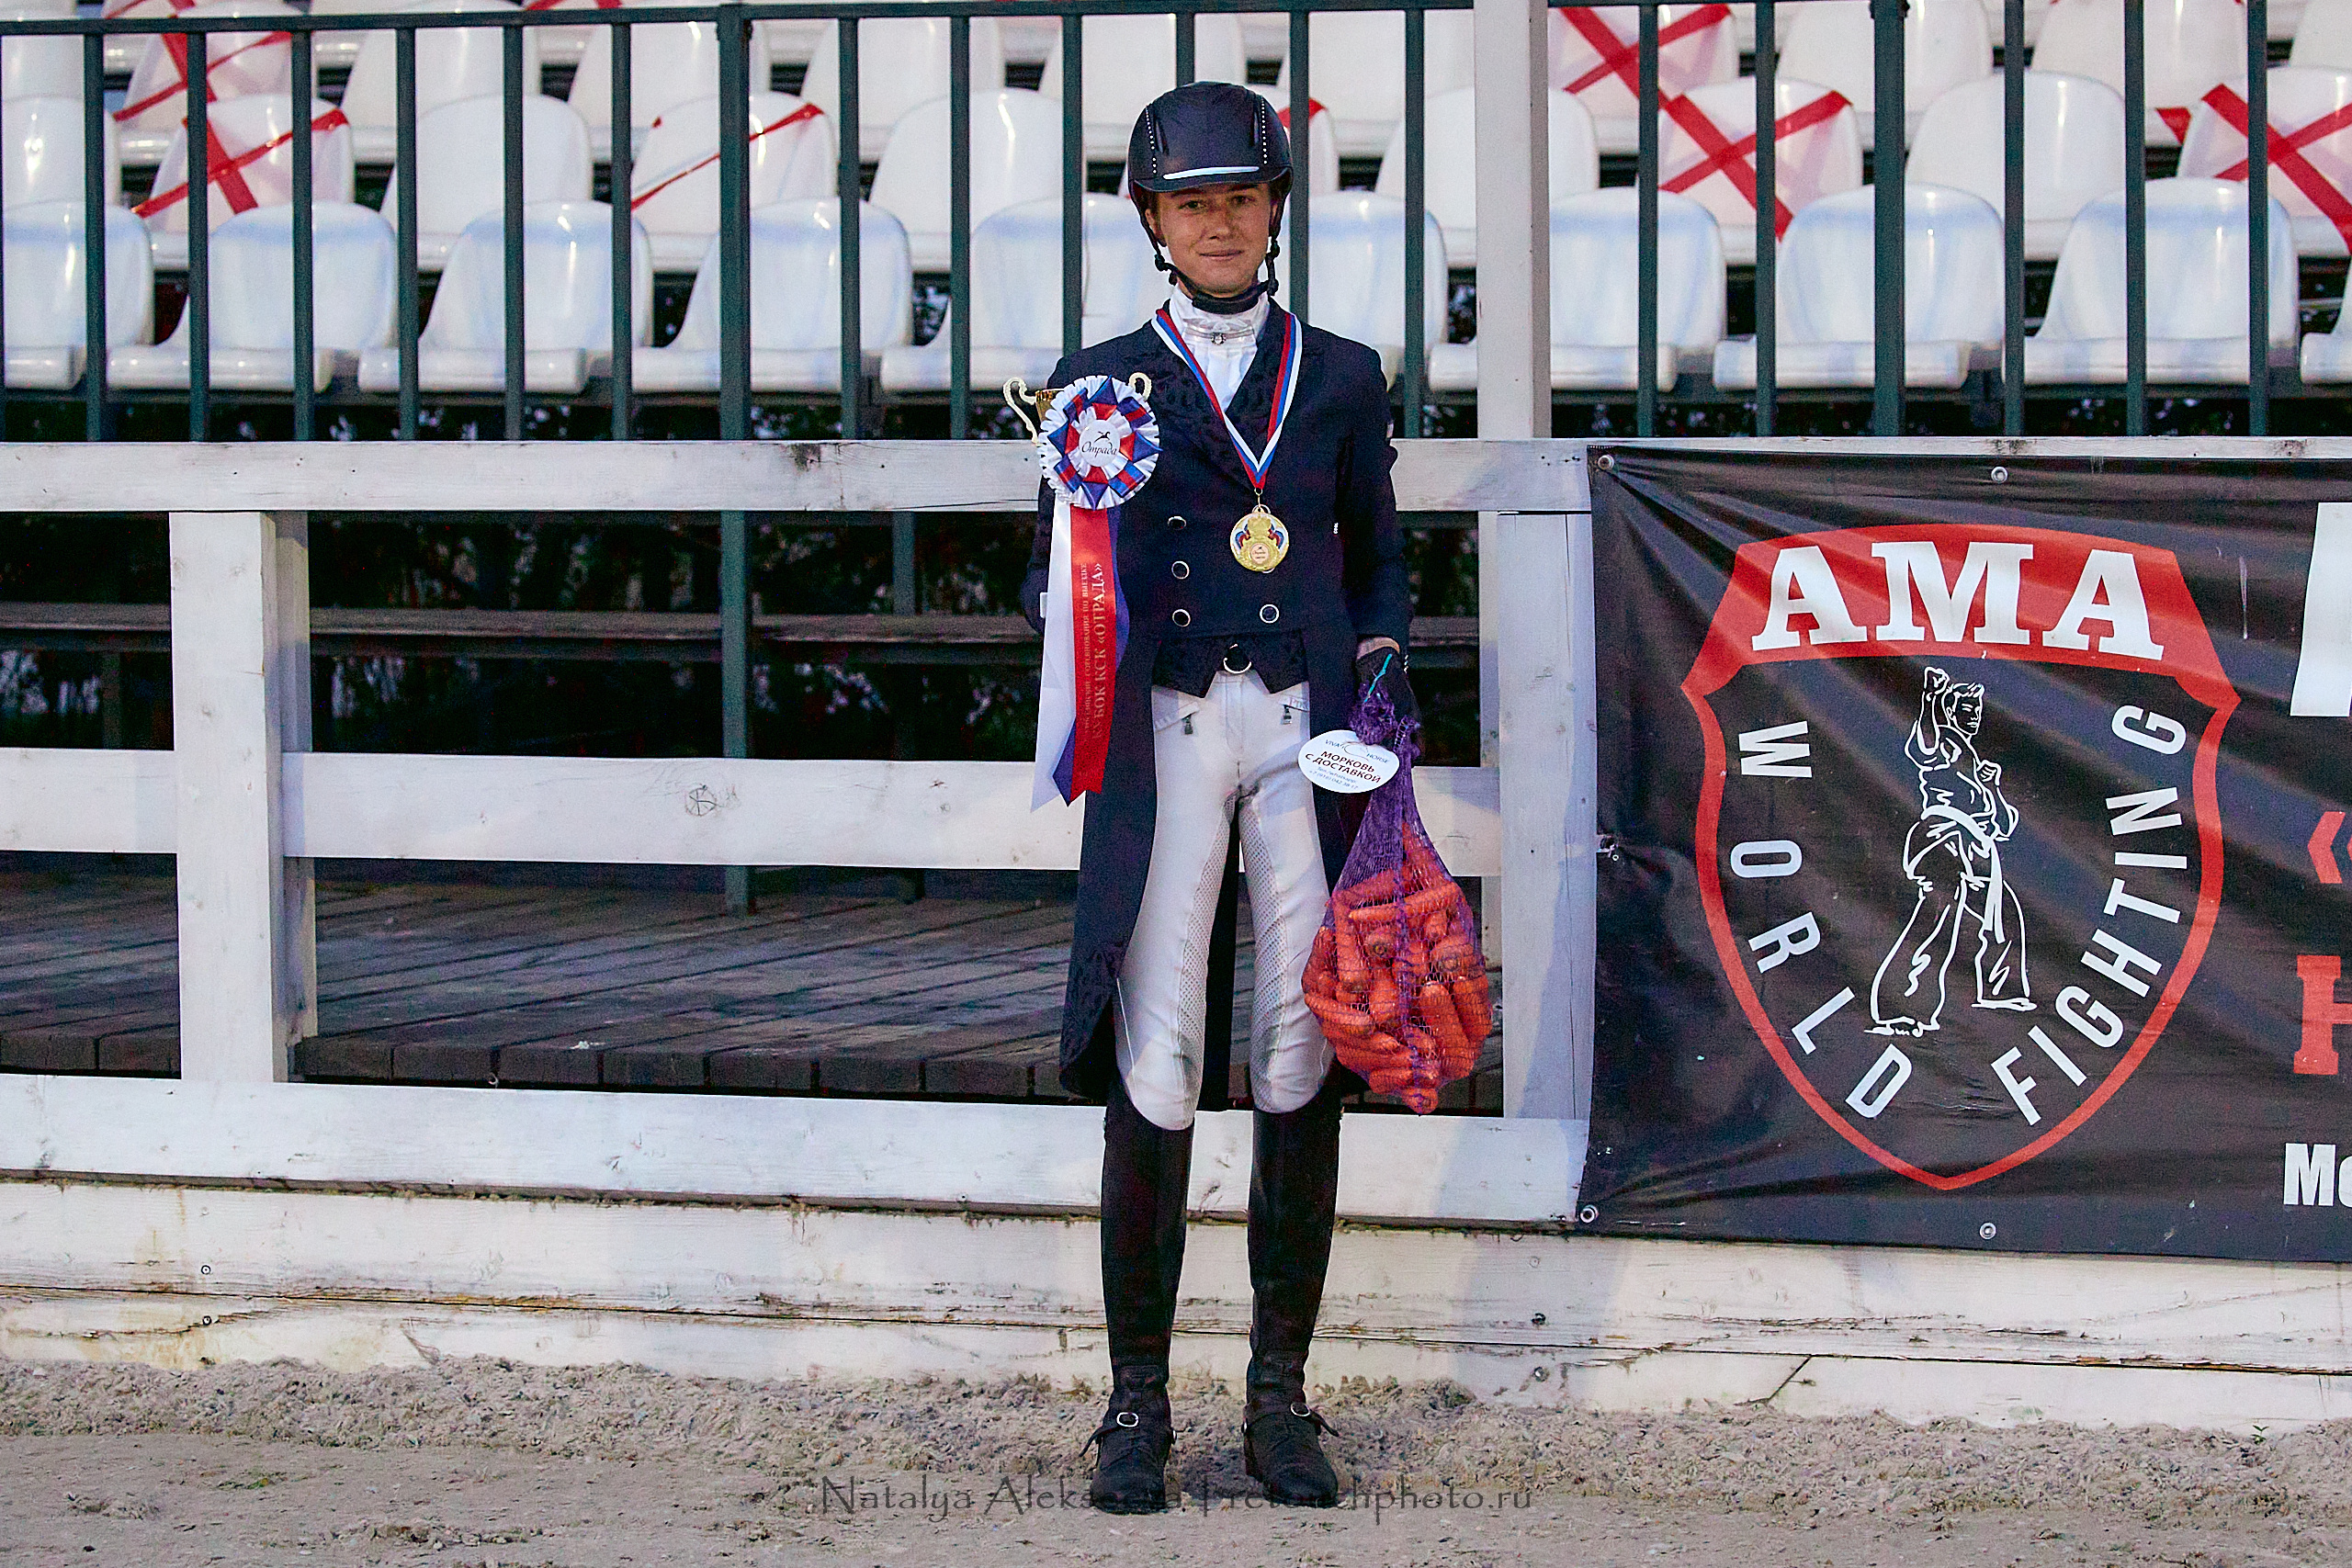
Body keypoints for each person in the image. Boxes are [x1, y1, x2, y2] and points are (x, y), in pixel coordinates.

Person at [1018, 82, 1415, 1514]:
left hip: (1304, 732)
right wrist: (1073, 626)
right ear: (1155, 222)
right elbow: (1054, 575)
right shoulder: (1099, 380)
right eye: (1195, 205)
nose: (1222, 223)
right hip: (1173, 724)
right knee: (1162, 1040)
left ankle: (1279, 1402)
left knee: (1304, 1036)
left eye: (1242, 199)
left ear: (1275, 209)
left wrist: (1381, 662)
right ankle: (1135, 1408)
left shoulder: (1348, 374)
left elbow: (1376, 558)